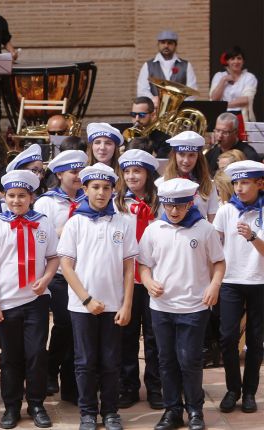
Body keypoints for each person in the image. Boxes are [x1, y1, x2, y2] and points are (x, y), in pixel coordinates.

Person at [137, 178, 225, 430]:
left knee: (190, 360)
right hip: (162, 308)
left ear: (191, 203)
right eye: (169, 205)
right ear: (162, 203)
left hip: (194, 307)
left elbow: (219, 261)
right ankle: (172, 410)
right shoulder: (154, 229)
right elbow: (144, 264)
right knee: (166, 360)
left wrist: (214, 285)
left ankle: (195, 411)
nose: (174, 211)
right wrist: (148, 281)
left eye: (180, 206)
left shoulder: (204, 229)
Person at [57, 163, 137, 430]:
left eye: (106, 188)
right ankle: (88, 412)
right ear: (85, 189)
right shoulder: (75, 223)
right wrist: (87, 299)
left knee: (111, 361)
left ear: (113, 190)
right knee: (85, 361)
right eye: (95, 187)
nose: (101, 193)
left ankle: (111, 411)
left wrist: (126, 304)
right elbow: (66, 266)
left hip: (114, 304)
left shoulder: (124, 223)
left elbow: (129, 268)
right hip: (83, 307)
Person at [0, 169, 59, 429]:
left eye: (22, 196)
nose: (16, 201)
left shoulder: (44, 223)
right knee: (10, 357)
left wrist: (46, 279)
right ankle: (11, 406)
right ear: (5, 197)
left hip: (36, 301)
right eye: (11, 195)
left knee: (36, 353)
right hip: (6, 302)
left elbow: (53, 257)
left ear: (31, 197)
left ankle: (36, 403)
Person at [33, 150, 88, 403]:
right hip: (56, 272)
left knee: (77, 328)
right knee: (65, 323)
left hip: (83, 270)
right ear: (59, 174)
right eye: (73, 172)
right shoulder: (47, 202)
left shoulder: (90, 197)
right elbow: (40, 236)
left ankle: (70, 383)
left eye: (80, 171)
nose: (78, 177)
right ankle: (50, 368)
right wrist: (68, 226)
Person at [113, 149, 163, 410]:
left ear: (148, 174)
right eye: (128, 171)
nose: (132, 176)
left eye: (138, 171)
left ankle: (155, 386)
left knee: (155, 335)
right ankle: (128, 386)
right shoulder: (117, 202)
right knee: (127, 333)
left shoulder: (161, 201)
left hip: (155, 276)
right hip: (127, 276)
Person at [213, 160, 264, 415]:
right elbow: (215, 246)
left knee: (256, 340)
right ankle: (233, 388)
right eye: (236, 183)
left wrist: (253, 237)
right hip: (231, 280)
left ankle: (250, 392)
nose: (239, 188)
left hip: (260, 281)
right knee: (227, 337)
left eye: (245, 182)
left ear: (259, 184)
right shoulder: (225, 211)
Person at [157, 131, 219, 221]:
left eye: (191, 155)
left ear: (198, 157)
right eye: (181, 154)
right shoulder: (161, 183)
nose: (186, 160)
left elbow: (213, 221)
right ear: (174, 155)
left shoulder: (208, 185)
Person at [210, 46, 258, 136]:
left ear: (243, 61)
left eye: (239, 58)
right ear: (227, 61)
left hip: (240, 116)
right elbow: (214, 98)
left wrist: (222, 105)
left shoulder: (249, 77)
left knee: (239, 146)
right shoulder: (219, 76)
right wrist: (223, 80)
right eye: (232, 59)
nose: (236, 61)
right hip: (221, 117)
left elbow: (245, 100)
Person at [136, 30, 197, 100]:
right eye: (163, 42)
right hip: (155, 109)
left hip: (179, 109)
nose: (166, 45)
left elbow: (192, 91)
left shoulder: (186, 65)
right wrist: (155, 101)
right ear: (158, 45)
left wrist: (178, 104)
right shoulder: (147, 65)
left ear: (175, 45)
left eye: (170, 43)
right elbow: (142, 90)